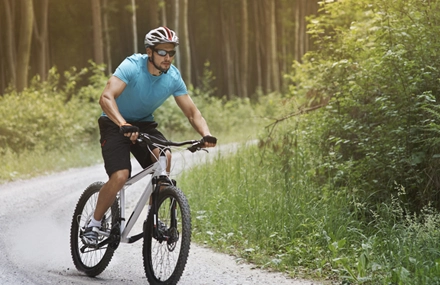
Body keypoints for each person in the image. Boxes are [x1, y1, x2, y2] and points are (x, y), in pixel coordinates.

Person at [81, 26, 217, 245]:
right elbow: (106, 98)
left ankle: (153, 219)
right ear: (150, 52)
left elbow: (192, 112)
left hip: (143, 123)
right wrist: (123, 123)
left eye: (171, 52)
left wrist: (206, 134)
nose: (167, 57)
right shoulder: (132, 66)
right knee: (120, 175)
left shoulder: (172, 77)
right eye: (162, 52)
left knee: (165, 157)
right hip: (114, 122)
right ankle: (94, 223)